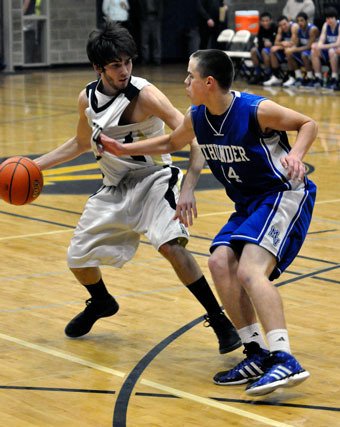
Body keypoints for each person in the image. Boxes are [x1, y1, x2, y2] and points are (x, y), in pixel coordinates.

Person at [98, 48, 317, 396]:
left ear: (209, 82)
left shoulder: (254, 110)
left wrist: (296, 154)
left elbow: (308, 123)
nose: (185, 82)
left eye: (190, 76)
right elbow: (172, 141)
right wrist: (121, 149)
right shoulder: (198, 116)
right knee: (218, 261)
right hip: (248, 203)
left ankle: (285, 357)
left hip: (282, 194)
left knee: (249, 271)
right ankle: (256, 351)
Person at [33, 22, 241, 354]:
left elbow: (193, 136)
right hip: (114, 185)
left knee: (170, 246)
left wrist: (189, 185)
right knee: (77, 259)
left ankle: (219, 320)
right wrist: (34, 166)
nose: (124, 70)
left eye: (128, 62)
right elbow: (80, 143)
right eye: (116, 65)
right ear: (98, 67)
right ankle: (101, 303)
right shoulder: (86, 98)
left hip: (154, 179)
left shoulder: (145, 94)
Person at [282, 12, 319, 88]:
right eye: (298, 21)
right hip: (304, 50)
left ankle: (310, 77)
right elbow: (296, 43)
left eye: (302, 20)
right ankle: (298, 77)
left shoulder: (313, 29)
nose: (300, 23)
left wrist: (294, 49)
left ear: (307, 21)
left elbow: (308, 46)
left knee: (304, 54)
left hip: (315, 51)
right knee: (290, 54)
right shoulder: (298, 29)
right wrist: (291, 48)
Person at [263, 15, 297, 86]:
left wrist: (280, 46)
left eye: (285, 24)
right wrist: (281, 43)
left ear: (288, 22)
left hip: (297, 49)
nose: (283, 26)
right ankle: (277, 76)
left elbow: (294, 43)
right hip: (286, 48)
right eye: (281, 25)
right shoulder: (280, 28)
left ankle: (292, 76)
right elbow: (276, 42)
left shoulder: (294, 27)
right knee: (272, 49)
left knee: (288, 51)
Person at [311, 7, 340, 90]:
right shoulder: (325, 25)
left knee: (331, 51)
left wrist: (322, 46)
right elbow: (321, 41)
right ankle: (318, 78)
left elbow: (338, 43)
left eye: (331, 18)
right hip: (330, 49)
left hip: (336, 50)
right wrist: (319, 46)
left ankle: (335, 78)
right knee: (314, 50)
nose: (329, 20)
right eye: (327, 18)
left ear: (336, 18)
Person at [249, 12, 277, 85]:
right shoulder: (261, 28)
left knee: (264, 51)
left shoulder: (275, 27)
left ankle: (268, 74)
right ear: (260, 22)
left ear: (271, 20)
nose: (265, 23)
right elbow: (260, 42)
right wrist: (264, 44)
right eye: (263, 21)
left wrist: (271, 43)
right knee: (253, 51)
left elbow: (278, 41)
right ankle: (258, 74)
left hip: (273, 50)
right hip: (264, 49)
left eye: (267, 21)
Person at [136, 0, 163, 65]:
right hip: (145, 19)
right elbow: (138, 8)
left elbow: (160, 7)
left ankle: (157, 59)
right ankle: (145, 59)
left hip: (155, 18)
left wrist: (159, 18)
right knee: (144, 41)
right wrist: (141, 18)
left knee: (156, 40)